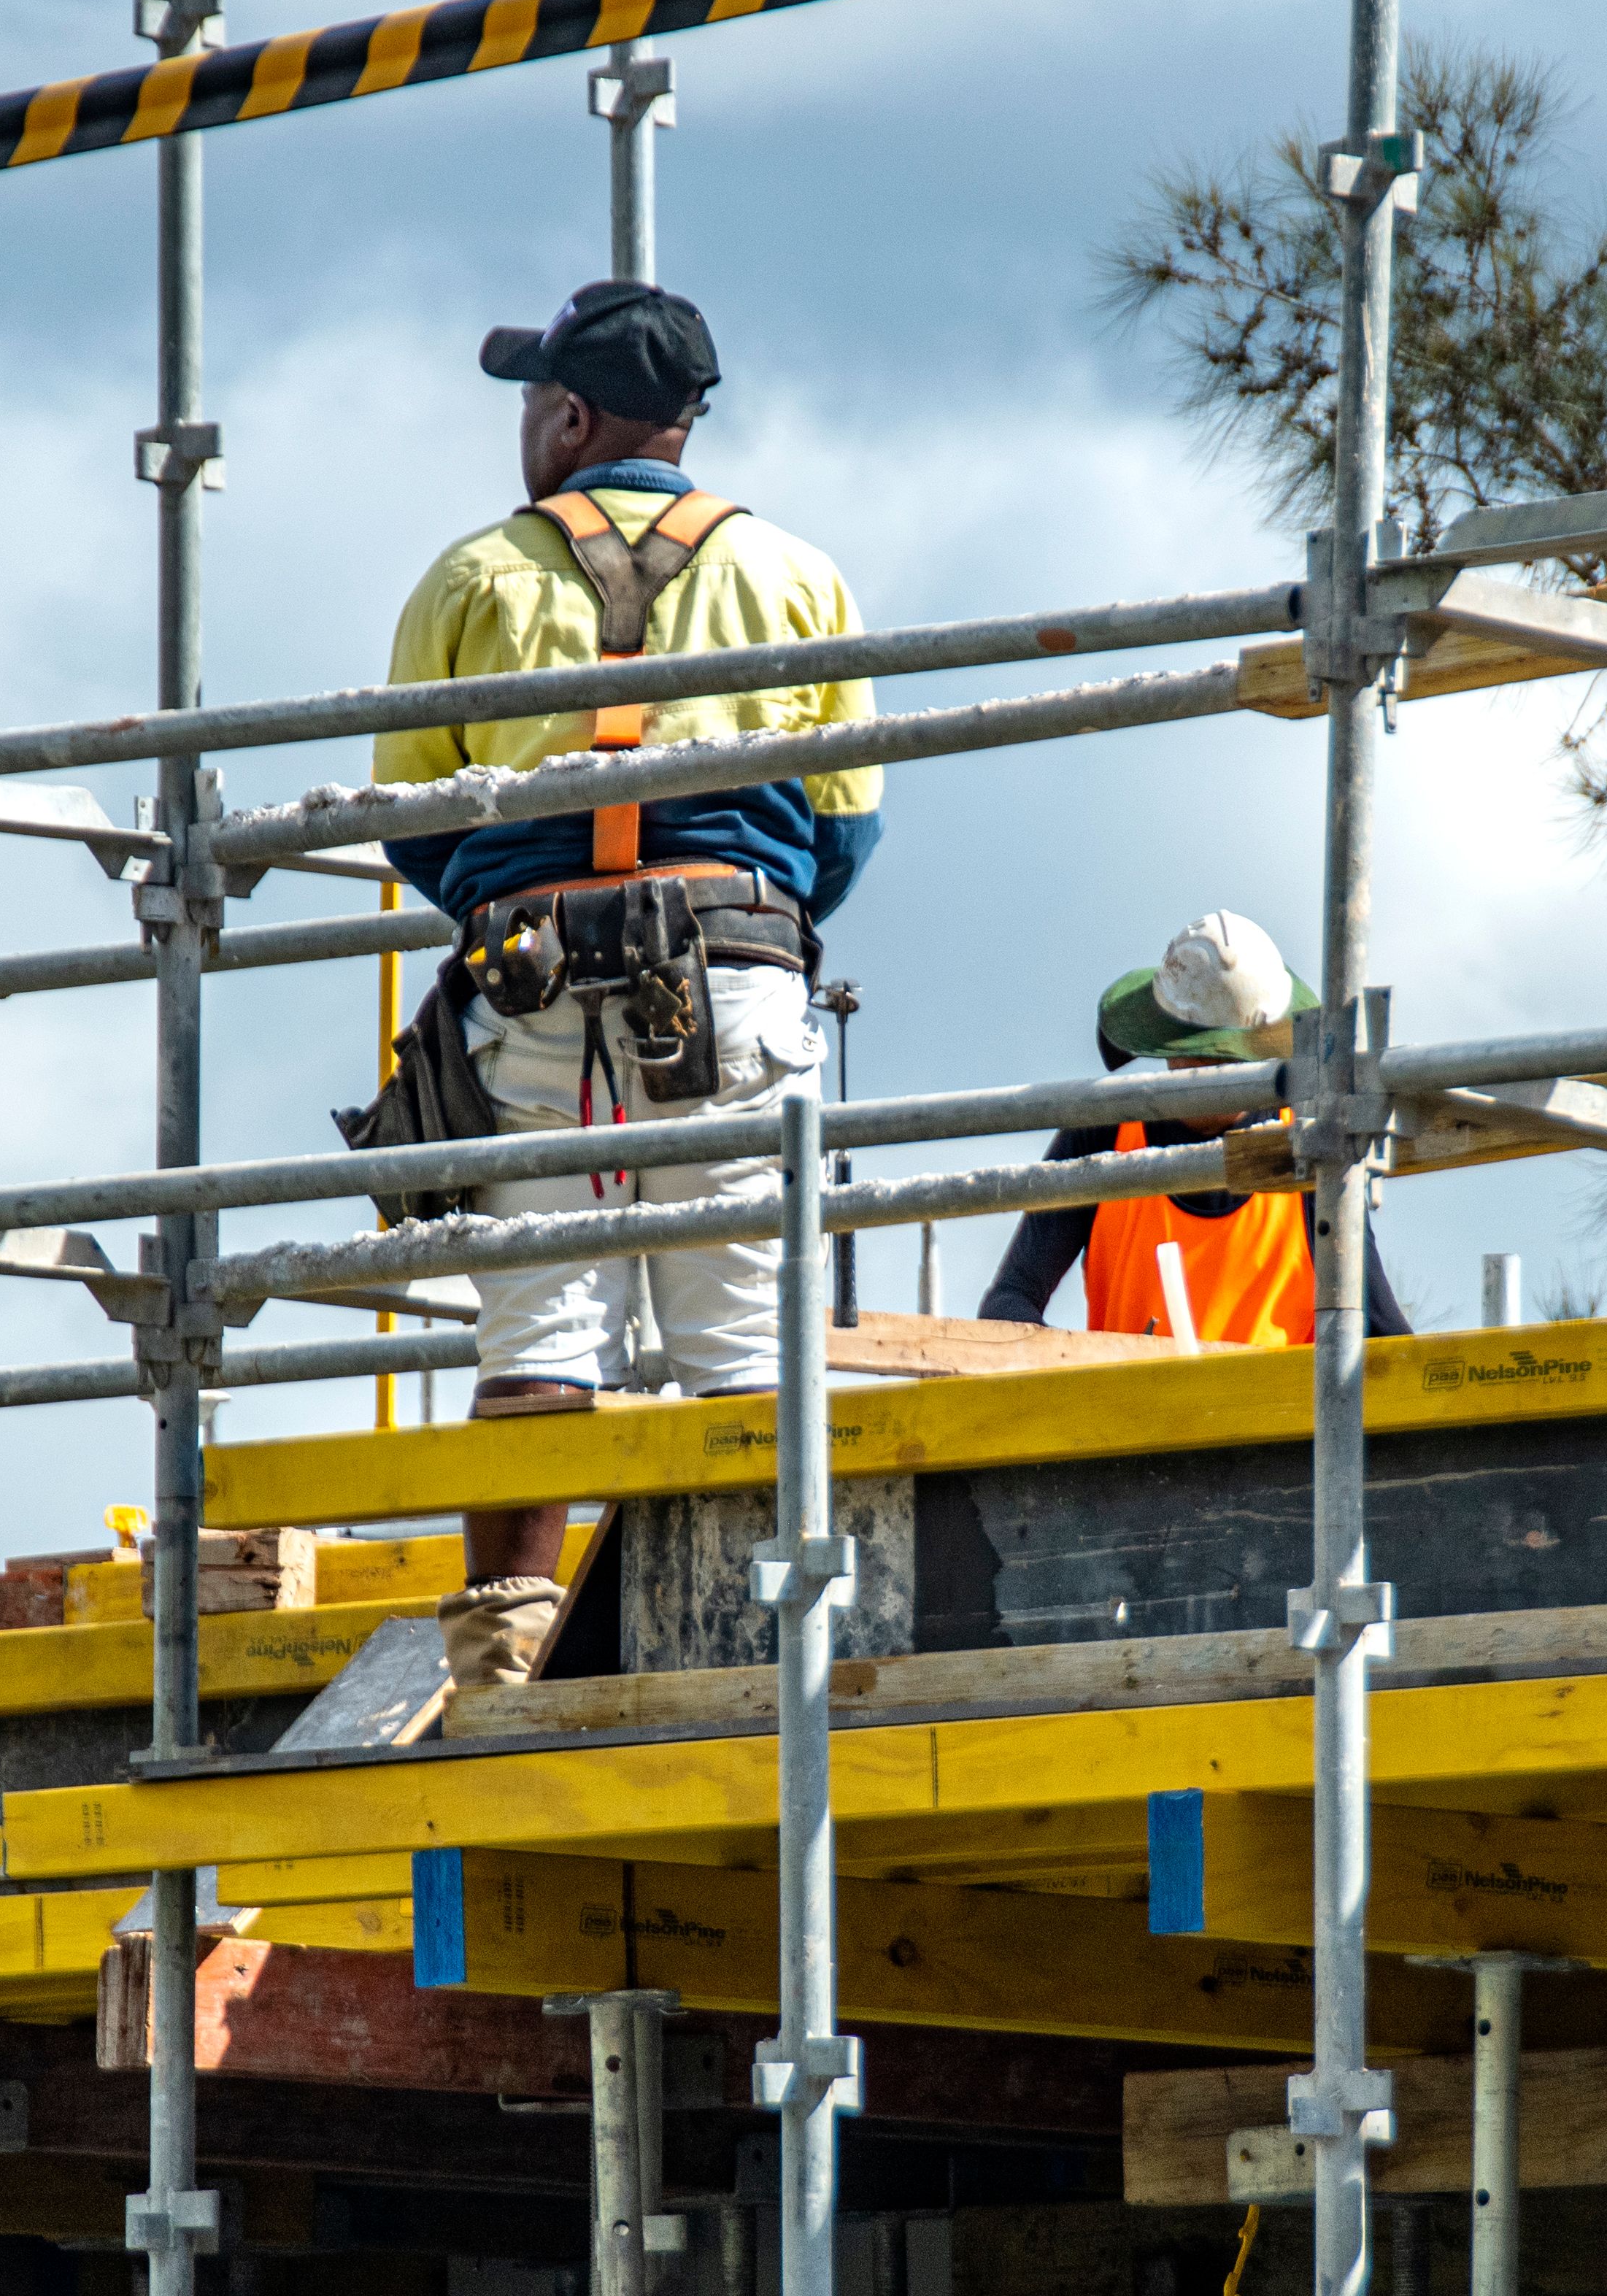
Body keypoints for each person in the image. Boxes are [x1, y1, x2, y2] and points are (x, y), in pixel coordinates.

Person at [369, 280, 884, 1695]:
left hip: (531, 986)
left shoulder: (470, 577)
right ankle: (763, 1638)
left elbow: (417, 819)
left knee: (542, 1325)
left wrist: (531, 901)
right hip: (732, 972)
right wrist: (735, 924)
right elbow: (842, 830)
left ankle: (504, 1649)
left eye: (534, 399)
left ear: (575, 418)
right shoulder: (796, 575)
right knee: (741, 1333)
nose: (526, 424)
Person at [978, 911, 1411, 1347]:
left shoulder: (1312, 1142)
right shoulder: (1105, 1132)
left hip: (1278, 1413)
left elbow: (1384, 1336)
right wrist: (1083, 1371)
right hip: (1131, 1409)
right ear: (1170, 1043)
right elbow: (1009, 1305)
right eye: (1198, 1056)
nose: (1209, 1073)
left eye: (1225, 1061)